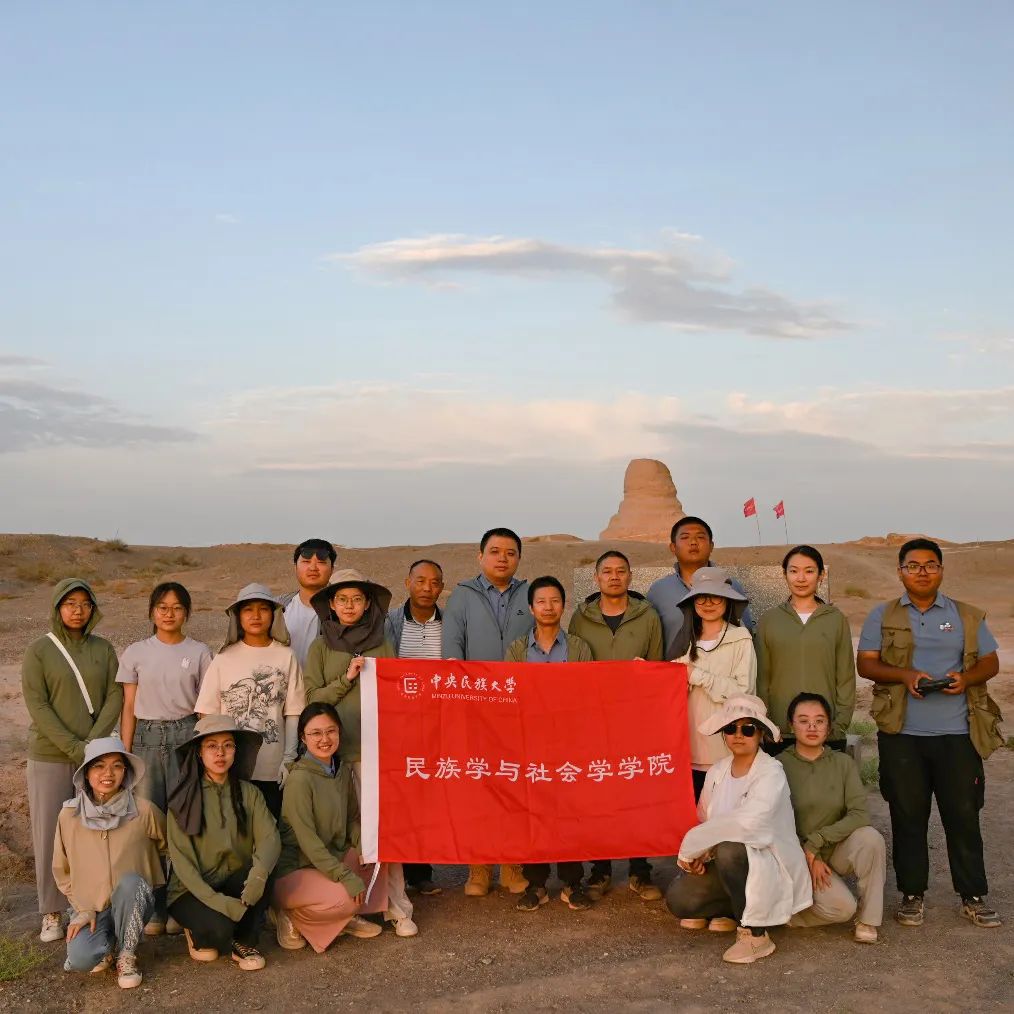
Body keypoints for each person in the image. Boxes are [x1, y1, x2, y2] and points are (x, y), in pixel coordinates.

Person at [857, 538, 1003, 929]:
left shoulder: (966, 615)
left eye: (930, 565)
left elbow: (990, 662)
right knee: (907, 814)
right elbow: (866, 664)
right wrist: (904, 676)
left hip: (958, 734)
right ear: (900, 571)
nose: (922, 572)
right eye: (913, 565)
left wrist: (965, 679)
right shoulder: (882, 615)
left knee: (963, 815)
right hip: (901, 733)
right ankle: (912, 895)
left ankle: (972, 895)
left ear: (941, 570)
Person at [304, 570, 417, 937]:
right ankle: (349, 908)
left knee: (384, 830)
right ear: (331, 605)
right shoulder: (320, 648)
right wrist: (346, 679)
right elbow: (312, 699)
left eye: (356, 599)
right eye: (342, 599)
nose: (349, 606)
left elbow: (398, 694)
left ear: (368, 603)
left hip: (376, 754)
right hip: (334, 755)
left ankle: (397, 907)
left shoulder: (382, 643)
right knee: (343, 833)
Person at [665, 695, 811, 964]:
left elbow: (750, 823)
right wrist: (701, 855)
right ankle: (734, 910)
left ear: (761, 734)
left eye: (748, 729)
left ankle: (755, 934)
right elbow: (705, 819)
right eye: (731, 728)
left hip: (767, 864)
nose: (738, 735)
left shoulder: (771, 772)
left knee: (731, 849)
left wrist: (693, 844)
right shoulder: (717, 771)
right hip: (726, 865)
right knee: (680, 900)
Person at [22, 578, 122, 943]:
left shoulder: (103, 649)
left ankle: (88, 904)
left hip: (95, 757)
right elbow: (38, 705)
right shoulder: (39, 650)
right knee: (50, 831)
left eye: (84, 603)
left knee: (94, 831)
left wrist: (92, 744)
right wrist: (75, 747)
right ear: (57, 608)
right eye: (70, 603)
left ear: (93, 608)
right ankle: (51, 910)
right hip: (50, 755)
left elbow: (115, 695)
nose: (77, 610)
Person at [568, 550, 665, 902]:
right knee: (599, 796)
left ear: (629, 576)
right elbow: (573, 664)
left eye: (620, 571)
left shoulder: (648, 616)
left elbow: (658, 666)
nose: (613, 576)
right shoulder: (581, 618)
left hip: (635, 721)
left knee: (635, 795)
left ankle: (640, 870)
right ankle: (601, 870)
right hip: (594, 722)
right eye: (606, 571)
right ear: (596, 578)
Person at [117, 581, 213, 935]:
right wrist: (125, 754)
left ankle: (179, 906)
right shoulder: (136, 652)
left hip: (186, 737)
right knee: (148, 823)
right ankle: (154, 909)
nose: (169, 613)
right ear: (152, 611)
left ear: (187, 612)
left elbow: (205, 707)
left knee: (185, 822)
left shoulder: (200, 652)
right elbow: (129, 706)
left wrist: (205, 749)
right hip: (146, 739)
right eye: (162, 607)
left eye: (177, 607)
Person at [443, 528, 532, 898]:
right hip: (476, 707)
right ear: (480, 556)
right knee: (478, 787)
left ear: (518, 558)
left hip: (519, 710)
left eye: (510, 552)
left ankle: (512, 865)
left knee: (514, 786)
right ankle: (478, 867)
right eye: (495, 551)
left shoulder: (530, 594)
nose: (502, 558)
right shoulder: (463, 596)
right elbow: (452, 648)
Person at [505, 576, 593, 913]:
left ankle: (573, 883)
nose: (548, 607)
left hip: (570, 743)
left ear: (563, 605)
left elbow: (588, 694)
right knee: (533, 814)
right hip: (530, 744)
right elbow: (511, 696)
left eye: (555, 600)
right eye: (541, 601)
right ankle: (537, 884)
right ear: (531, 608)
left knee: (570, 813)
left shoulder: (578, 648)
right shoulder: (517, 649)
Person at [166, 715, 281, 970]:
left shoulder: (249, 793)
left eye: (228, 745)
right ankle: (196, 930)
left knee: (266, 866)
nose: (221, 753)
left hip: (232, 881)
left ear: (235, 751)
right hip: (191, 890)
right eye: (212, 746)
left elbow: (269, 838)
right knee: (219, 931)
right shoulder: (183, 800)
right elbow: (184, 867)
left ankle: (244, 943)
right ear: (199, 753)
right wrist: (221, 904)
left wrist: (258, 876)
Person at [53, 737, 167, 990]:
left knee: (131, 883)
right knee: (82, 959)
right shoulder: (69, 815)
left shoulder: (143, 810)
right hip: (92, 909)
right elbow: (61, 869)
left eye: (117, 766)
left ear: (125, 772)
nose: (108, 773)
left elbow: (171, 846)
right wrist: (82, 908)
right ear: (86, 773)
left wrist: (154, 878)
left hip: (133, 901)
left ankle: (127, 953)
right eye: (99, 766)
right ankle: (106, 947)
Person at [272, 702, 387, 951]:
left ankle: (341, 918)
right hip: (296, 869)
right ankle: (288, 915)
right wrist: (345, 876)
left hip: (329, 860)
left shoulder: (341, 771)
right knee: (347, 897)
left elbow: (352, 819)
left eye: (331, 731)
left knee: (380, 855)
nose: (324, 739)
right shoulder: (299, 779)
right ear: (303, 738)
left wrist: (365, 847)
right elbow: (308, 842)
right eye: (315, 733)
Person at [779, 693, 886, 944]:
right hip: (797, 857)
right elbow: (776, 825)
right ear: (791, 725)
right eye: (803, 721)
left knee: (870, 838)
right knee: (842, 909)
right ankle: (783, 916)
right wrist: (808, 856)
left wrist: (816, 842)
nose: (812, 727)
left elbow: (859, 814)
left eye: (819, 721)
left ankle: (868, 920)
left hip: (833, 849)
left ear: (829, 727)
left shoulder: (843, 763)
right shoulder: (778, 766)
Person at [195, 584, 305, 819]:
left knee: (270, 826)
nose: (256, 616)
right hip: (231, 765)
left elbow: (293, 712)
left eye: (263, 609)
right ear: (238, 616)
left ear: (273, 615)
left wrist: (289, 758)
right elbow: (208, 714)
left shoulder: (286, 656)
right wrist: (212, 760)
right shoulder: (223, 658)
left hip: (272, 766)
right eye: (248, 609)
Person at [755, 546, 855, 752]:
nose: (801, 578)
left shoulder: (836, 619)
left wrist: (838, 725)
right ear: (784, 574)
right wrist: (766, 723)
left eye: (809, 571)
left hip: (825, 730)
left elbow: (845, 677)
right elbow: (761, 678)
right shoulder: (769, 620)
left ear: (821, 575)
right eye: (794, 571)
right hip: (780, 731)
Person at [384, 559, 445, 895]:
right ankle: (399, 873)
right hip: (399, 725)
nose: (427, 588)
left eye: (434, 582)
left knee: (429, 799)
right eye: (420, 581)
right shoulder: (390, 623)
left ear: (441, 587)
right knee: (402, 798)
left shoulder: (451, 624)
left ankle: (422, 872)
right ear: (407, 583)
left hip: (437, 725)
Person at [671, 567, 756, 800]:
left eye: (716, 596)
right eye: (701, 597)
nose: (708, 603)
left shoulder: (741, 639)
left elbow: (743, 692)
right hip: (688, 749)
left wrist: (696, 675)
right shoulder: (685, 641)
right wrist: (644, 671)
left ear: (727, 600)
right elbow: (667, 682)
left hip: (725, 749)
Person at [647, 517, 754, 660]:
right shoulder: (659, 591)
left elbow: (746, 631)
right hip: (675, 670)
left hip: (724, 671)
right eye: (685, 537)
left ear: (711, 546)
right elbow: (651, 640)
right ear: (673, 547)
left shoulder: (731, 587)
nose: (693, 542)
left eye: (700, 537)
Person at [281, 539, 337, 668]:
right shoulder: (278, 607)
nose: (313, 568)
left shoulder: (345, 611)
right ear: (295, 567)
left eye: (321, 563)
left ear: (332, 569)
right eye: (306, 562)